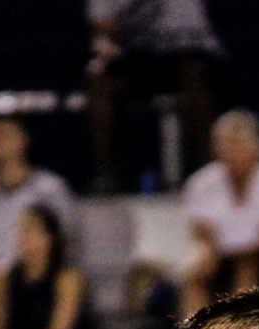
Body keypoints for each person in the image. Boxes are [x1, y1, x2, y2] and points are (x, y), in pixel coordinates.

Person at [85, 0, 223, 190]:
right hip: (133, 56)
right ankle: (106, 172)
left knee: (194, 74)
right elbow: (102, 25)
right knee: (98, 80)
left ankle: (211, 170)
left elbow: (193, 35)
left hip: (182, 55)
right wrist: (108, 42)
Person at [180, 109, 259, 317]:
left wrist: (237, 254)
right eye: (222, 143)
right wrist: (223, 255)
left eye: (236, 142)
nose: (229, 150)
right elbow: (204, 233)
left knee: (248, 267)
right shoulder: (201, 183)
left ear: (258, 147)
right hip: (219, 256)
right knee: (196, 266)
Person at [0, 110, 76, 272]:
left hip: (38, 285)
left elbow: (66, 240)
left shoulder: (51, 190)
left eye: (3, 135)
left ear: (23, 141)